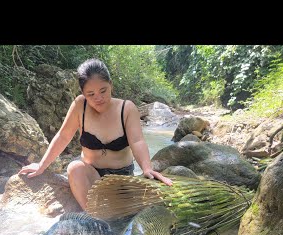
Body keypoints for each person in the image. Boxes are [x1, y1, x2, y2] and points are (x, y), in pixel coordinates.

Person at [18, 58, 172, 210]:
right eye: (90, 94)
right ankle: (95, 219)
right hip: (91, 175)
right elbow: (63, 136)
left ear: (111, 85)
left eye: (103, 90)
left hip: (121, 177)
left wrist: (146, 168)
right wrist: (41, 165)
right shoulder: (80, 105)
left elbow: (137, 141)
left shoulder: (127, 108)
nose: (98, 98)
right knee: (74, 167)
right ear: (83, 93)